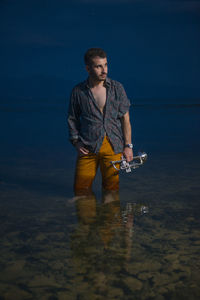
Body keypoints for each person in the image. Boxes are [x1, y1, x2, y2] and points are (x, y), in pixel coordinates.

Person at [68, 48, 133, 195]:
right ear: (88, 68)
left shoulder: (117, 88)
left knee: (111, 190)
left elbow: (125, 119)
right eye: (99, 66)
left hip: (113, 147)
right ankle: (86, 216)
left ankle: (110, 217)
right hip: (87, 148)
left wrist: (128, 146)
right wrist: (76, 142)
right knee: (81, 190)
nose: (104, 70)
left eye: (106, 65)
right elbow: (72, 119)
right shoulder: (78, 91)